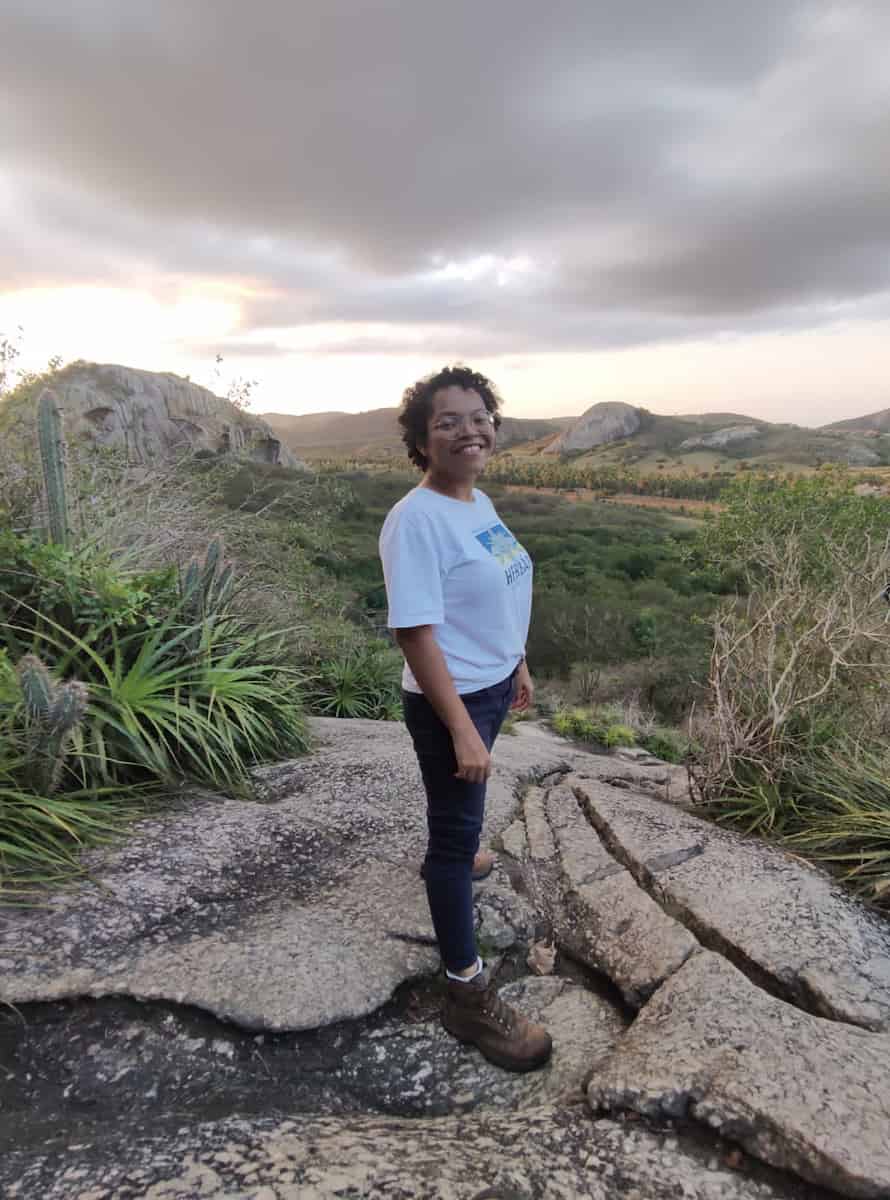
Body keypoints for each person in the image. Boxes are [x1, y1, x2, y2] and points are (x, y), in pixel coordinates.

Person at [378, 364, 552, 1073]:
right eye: (447, 421)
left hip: (487, 683)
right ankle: (466, 994)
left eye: (478, 416)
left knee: (460, 811)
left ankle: (459, 844)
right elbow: (415, 630)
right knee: (452, 845)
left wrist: (517, 659)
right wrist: (459, 727)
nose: (468, 429)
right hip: (449, 697)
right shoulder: (415, 520)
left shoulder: (474, 503)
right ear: (423, 439)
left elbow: (500, 586)